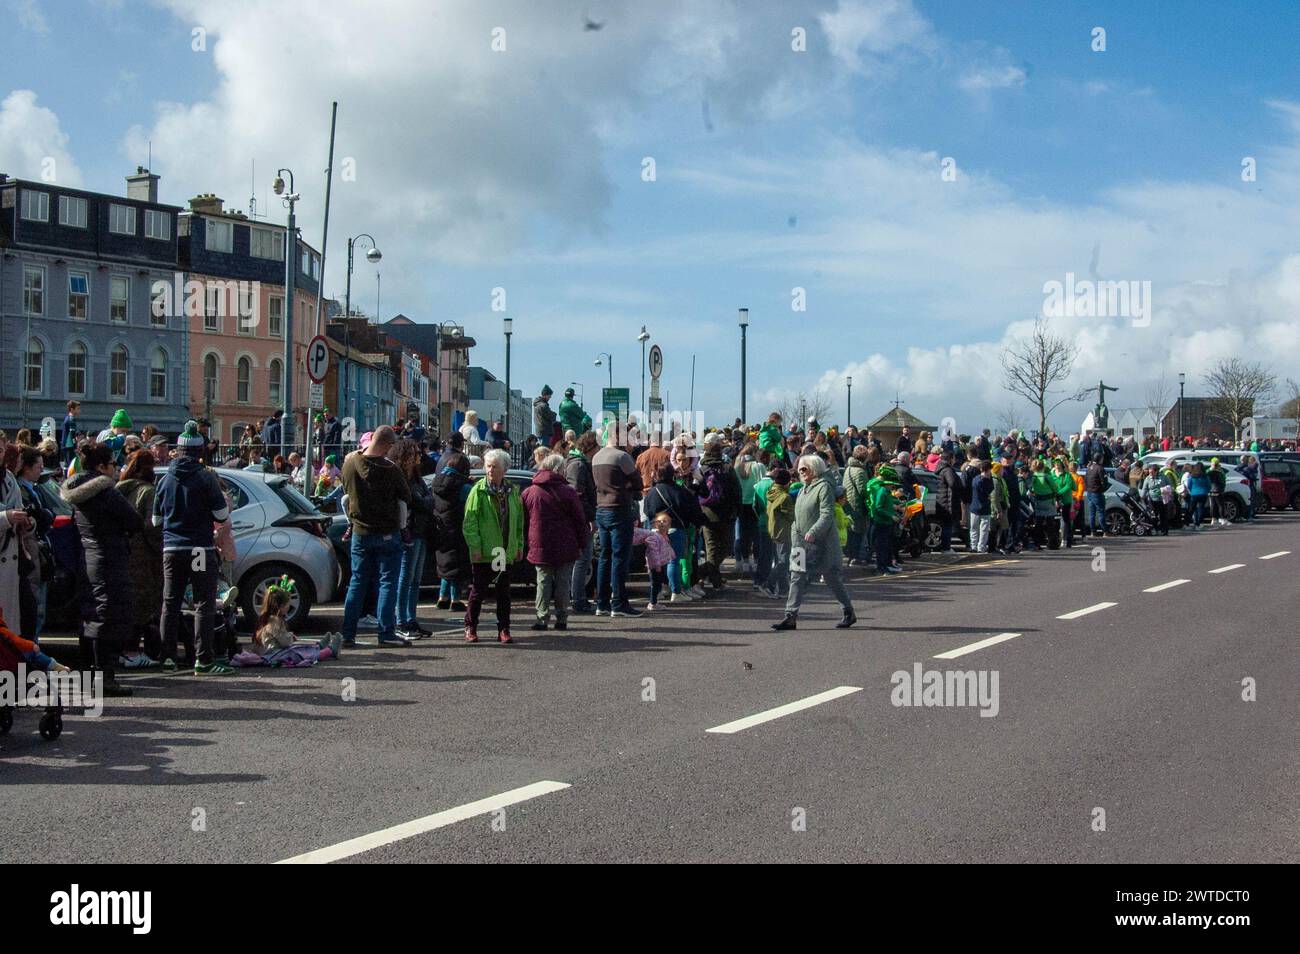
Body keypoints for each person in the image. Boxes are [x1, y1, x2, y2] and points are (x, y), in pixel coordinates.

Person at [62, 442, 142, 694]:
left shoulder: (75, 491)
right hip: (110, 556)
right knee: (110, 615)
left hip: (88, 556)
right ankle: (104, 677)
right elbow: (135, 521)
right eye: (113, 464)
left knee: (91, 613)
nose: (116, 469)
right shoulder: (107, 492)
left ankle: (89, 672)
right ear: (100, 466)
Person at [154, 422, 234, 674]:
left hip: (171, 548)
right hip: (199, 548)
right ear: (200, 451)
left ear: (177, 450)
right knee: (203, 602)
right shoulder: (205, 478)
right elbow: (221, 514)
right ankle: (204, 659)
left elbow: (156, 520)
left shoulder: (165, 479)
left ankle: (167, 657)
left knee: (170, 602)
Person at [339, 425, 413, 648]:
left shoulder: (350, 462)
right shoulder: (390, 469)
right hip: (387, 533)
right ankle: (386, 633)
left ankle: (348, 634)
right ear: (387, 445)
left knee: (357, 582)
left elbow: (344, 490)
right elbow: (406, 497)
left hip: (360, 533)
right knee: (387, 583)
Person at [771, 455, 857, 631]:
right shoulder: (803, 489)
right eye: (799, 469)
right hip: (800, 542)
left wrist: (813, 532)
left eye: (805, 469)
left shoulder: (824, 487)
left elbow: (827, 514)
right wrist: (796, 534)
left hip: (822, 543)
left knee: (831, 577)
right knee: (796, 576)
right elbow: (797, 517)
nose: (801, 472)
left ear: (815, 469)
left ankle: (848, 611)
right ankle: (790, 616)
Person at [462, 448, 524, 642]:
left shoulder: (512, 492)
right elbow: (469, 522)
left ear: (504, 469)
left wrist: (519, 545)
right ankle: (470, 627)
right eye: (488, 466)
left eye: (494, 467)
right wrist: (475, 547)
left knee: (503, 593)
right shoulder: (478, 491)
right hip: (485, 551)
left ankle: (503, 629)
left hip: (503, 552)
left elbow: (519, 521)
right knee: (478, 592)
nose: (490, 470)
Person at [521, 453, 588, 630]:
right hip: (565, 542)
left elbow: (524, 520)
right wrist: (583, 543)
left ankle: (541, 618)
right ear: (559, 470)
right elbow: (579, 520)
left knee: (543, 581)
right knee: (562, 582)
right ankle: (561, 618)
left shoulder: (530, 491)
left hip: (539, 541)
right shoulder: (568, 492)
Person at [116, 450, 164, 668]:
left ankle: (123, 650)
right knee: (144, 604)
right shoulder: (148, 491)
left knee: (125, 604)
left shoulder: (119, 489)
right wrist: (160, 547)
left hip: (122, 552)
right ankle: (132, 651)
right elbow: (152, 526)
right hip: (144, 556)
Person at [592, 427, 643, 617]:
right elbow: (638, 482)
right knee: (620, 557)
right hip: (619, 508)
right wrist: (626, 485)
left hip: (601, 509)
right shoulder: (622, 457)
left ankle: (602, 603)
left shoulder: (596, 457)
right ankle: (619, 603)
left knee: (604, 557)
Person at [642, 461, 705, 603]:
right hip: (675, 528)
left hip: (655, 529)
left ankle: (657, 591)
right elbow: (691, 510)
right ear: (672, 474)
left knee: (656, 563)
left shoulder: (651, 492)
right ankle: (676, 592)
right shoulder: (680, 491)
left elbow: (647, 511)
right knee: (673, 561)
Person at [391, 439, 434, 640]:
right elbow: (419, 501)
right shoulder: (402, 478)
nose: (418, 457)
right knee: (405, 579)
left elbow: (427, 499)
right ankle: (401, 621)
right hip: (409, 532)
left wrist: (425, 500)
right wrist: (425, 500)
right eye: (415, 454)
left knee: (415, 580)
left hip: (421, 531)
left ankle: (411, 619)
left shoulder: (416, 478)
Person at [236, 584, 341, 666]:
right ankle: (329, 651)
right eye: (287, 603)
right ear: (280, 606)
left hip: (268, 652)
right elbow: (284, 642)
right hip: (273, 654)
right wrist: (291, 636)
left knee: (297, 649)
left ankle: (319, 646)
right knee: (299, 653)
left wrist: (289, 636)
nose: (288, 605)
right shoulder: (276, 621)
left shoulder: (267, 618)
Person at [430, 451, 472, 612]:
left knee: (445, 563)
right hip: (457, 527)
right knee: (455, 566)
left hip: (441, 527)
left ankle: (442, 597)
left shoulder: (436, 482)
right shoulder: (463, 487)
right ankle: (455, 599)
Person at [761, 466, 795, 599]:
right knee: (783, 562)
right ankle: (768, 584)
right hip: (783, 531)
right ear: (787, 482)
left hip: (773, 530)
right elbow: (791, 516)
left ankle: (783, 589)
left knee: (780, 559)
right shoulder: (785, 497)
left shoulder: (771, 492)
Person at [635, 513, 677, 611]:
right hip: (655, 565)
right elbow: (653, 552)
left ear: (669, 525)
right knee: (655, 584)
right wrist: (657, 565)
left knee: (658, 584)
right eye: (659, 521)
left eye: (664, 521)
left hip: (662, 563)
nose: (662, 523)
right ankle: (652, 603)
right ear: (654, 524)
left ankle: (654, 602)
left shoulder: (665, 536)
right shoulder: (653, 536)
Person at [968, 461, 994, 553]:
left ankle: (973, 546)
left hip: (974, 506)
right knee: (984, 529)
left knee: (973, 528)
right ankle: (981, 546)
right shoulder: (987, 481)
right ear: (988, 470)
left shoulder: (975, 479)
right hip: (985, 507)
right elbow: (990, 489)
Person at [1084, 455, 1107, 536]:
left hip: (1089, 493)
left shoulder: (1089, 468)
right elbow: (1104, 481)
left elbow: (1085, 480)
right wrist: (1103, 489)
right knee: (1101, 512)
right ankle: (1105, 531)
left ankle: (1093, 531)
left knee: (1092, 513)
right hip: (1097, 493)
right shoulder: (1100, 468)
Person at [60, 400, 81, 470]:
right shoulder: (72, 420)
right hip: (69, 446)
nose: (79, 411)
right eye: (77, 409)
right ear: (72, 409)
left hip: (65, 445)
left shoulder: (67, 418)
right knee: (71, 466)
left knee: (67, 465)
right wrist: (75, 446)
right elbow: (72, 435)